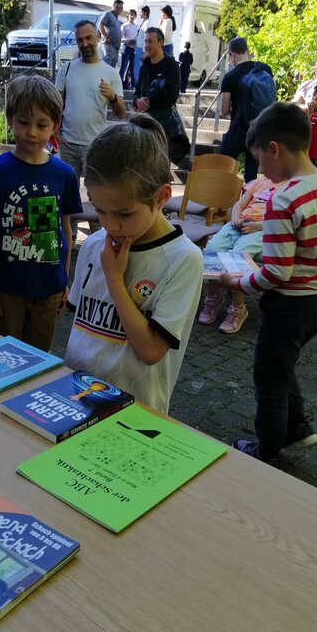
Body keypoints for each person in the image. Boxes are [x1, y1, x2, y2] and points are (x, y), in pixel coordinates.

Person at [218, 102, 317, 465]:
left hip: (290, 306)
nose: (260, 170)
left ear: (274, 149)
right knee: (282, 363)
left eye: (258, 159)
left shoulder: (283, 199)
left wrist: (237, 282)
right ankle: (297, 431)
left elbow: (276, 273)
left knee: (269, 378)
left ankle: (268, 452)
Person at [65, 114, 203, 414]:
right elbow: (82, 332)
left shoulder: (184, 259)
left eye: (124, 214)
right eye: (100, 210)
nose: (110, 225)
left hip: (135, 412)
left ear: (162, 196)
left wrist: (115, 280)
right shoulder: (93, 245)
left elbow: (151, 350)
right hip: (75, 398)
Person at [0, 75, 82, 352]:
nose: (32, 132)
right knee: (6, 356)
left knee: (40, 358)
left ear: (55, 126)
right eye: (23, 122)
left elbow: (65, 231)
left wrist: (64, 279)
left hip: (49, 289)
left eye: (41, 125)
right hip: (8, 287)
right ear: (10, 120)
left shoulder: (64, 174)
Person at [198, 175, 287, 334]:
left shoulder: (292, 187)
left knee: (237, 258)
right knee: (212, 250)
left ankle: (238, 307)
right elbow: (239, 204)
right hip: (239, 224)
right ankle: (213, 297)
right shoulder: (261, 180)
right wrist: (235, 219)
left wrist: (257, 226)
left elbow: (284, 220)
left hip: (262, 229)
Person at [55, 19, 126, 187]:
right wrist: (55, 133)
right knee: (67, 192)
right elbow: (56, 105)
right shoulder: (66, 69)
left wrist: (112, 96)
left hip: (96, 144)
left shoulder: (111, 73)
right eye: (80, 40)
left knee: (96, 193)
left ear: (98, 37)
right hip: (68, 144)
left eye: (88, 38)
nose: (85, 43)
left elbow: (121, 113)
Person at [219, 37, 275, 183]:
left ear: (232, 54)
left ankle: (223, 194)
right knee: (251, 174)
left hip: (239, 128)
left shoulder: (230, 77)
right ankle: (249, 197)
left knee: (221, 164)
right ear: (247, 50)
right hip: (259, 129)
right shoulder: (265, 69)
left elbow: (223, 111)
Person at [133, 27, 187, 164]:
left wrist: (149, 103)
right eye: (145, 41)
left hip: (163, 128)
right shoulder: (144, 66)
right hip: (144, 126)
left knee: (160, 166)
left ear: (160, 43)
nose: (147, 45)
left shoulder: (172, 66)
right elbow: (136, 93)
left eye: (150, 41)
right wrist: (138, 101)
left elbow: (172, 96)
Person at [98, 0, 124, 67]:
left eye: (122, 9)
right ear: (115, 6)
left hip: (116, 48)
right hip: (110, 46)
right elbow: (100, 25)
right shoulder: (108, 14)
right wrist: (106, 37)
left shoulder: (117, 19)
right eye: (120, 8)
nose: (121, 10)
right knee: (106, 68)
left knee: (111, 70)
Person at [119, 9, 139, 90]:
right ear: (128, 16)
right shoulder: (124, 26)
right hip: (126, 48)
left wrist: (135, 42)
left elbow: (139, 38)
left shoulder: (137, 27)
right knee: (123, 67)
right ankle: (119, 84)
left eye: (134, 15)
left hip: (133, 49)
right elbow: (120, 38)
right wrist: (128, 40)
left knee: (132, 68)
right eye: (131, 15)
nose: (132, 16)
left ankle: (133, 86)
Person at [133, 5, 151, 87]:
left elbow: (146, 37)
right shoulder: (144, 22)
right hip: (138, 47)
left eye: (141, 12)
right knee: (137, 69)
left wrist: (144, 51)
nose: (139, 13)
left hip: (141, 49)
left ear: (145, 12)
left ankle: (139, 87)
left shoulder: (147, 23)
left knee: (138, 69)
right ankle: (138, 86)